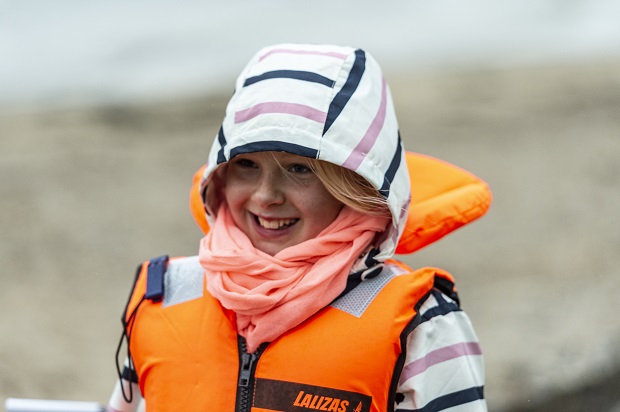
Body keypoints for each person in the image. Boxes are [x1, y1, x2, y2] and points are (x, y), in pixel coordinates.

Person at [107, 43, 492, 412]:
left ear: (355, 186)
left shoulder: (419, 322)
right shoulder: (162, 296)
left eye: (299, 169)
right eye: (246, 165)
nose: (265, 196)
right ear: (219, 176)